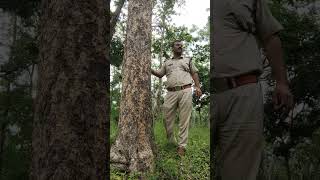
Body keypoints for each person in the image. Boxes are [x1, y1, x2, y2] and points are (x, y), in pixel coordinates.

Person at [212, 0, 294, 179]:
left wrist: (281, 82)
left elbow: (270, 36)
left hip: (243, 93)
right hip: (204, 94)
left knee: (239, 173)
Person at [151, 40, 202, 156]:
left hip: (186, 90)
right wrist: (149, 69)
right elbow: (159, 74)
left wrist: (198, 87)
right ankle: (171, 141)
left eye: (181, 45)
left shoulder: (187, 60)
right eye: (177, 45)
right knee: (166, 118)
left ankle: (182, 146)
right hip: (171, 93)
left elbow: (194, 73)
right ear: (172, 48)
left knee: (184, 119)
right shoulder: (167, 62)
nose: (180, 46)